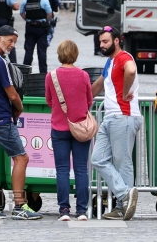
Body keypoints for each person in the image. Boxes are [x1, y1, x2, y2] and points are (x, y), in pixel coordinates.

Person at [0, 25, 43, 221]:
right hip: (0, 119)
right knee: (21, 158)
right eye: (9, 40)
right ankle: (20, 205)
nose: (12, 45)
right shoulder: (0, 61)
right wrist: (19, 108)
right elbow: (12, 93)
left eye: (14, 41)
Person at [90, 26, 140, 221]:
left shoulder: (123, 57)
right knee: (98, 158)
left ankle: (122, 206)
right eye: (100, 42)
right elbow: (99, 84)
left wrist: (126, 90)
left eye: (105, 41)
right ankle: (124, 195)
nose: (101, 45)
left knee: (122, 162)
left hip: (123, 115)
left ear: (117, 40)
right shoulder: (110, 61)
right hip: (112, 116)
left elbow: (131, 70)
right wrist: (83, 101)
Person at [44, 40, 93, 221]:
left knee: (62, 170)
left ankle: (63, 209)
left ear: (59, 54)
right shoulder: (83, 75)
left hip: (59, 127)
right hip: (80, 128)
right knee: (81, 169)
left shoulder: (51, 76)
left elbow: (49, 100)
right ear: (76, 54)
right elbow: (89, 100)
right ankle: (81, 210)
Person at [20, 0, 53, 74]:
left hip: (30, 27)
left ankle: (25, 73)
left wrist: (28, 20)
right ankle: (43, 74)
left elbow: (22, 13)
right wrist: (45, 21)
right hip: (41, 28)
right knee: (42, 52)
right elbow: (49, 14)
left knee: (28, 51)